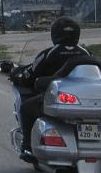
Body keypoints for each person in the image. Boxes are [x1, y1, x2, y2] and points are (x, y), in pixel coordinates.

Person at [11, 16, 93, 153]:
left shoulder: (49, 54)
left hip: (57, 98)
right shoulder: (86, 53)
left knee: (26, 108)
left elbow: (30, 75)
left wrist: (16, 75)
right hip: (85, 100)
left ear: (55, 34)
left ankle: (28, 145)